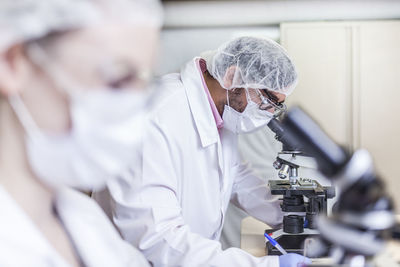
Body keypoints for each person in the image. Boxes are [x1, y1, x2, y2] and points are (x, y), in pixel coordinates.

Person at [95, 36, 310, 266]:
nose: (269, 113)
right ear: (232, 77)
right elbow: (157, 239)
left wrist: (289, 216)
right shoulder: (156, 117)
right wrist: (266, 265)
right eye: (268, 100)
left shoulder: (222, 113)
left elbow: (237, 176)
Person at [0, 0, 161, 266]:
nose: (132, 109)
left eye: (142, 84)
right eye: (117, 80)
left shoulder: (85, 219)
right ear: (12, 62)